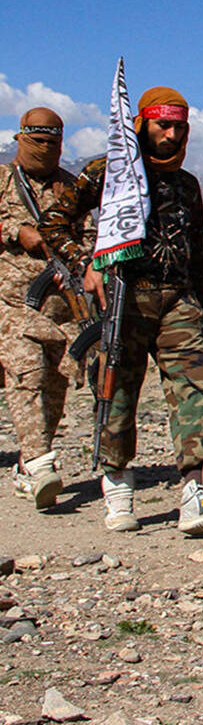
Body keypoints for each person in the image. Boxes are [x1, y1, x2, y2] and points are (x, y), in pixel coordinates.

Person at [39, 88, 203, 536]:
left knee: (196, 388)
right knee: (116, 392)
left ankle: (201, 488)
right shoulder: (107, 173)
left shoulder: (187, 185)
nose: (171, 135)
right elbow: (53, 222)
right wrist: (85, 263)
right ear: (142, 125)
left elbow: (198, 251)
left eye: (180, 127)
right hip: (123, 300)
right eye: (162, 125)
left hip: (178, 302)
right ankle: (116, 486)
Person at [0, 108, 91, 509]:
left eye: (53, 142)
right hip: (9, 301)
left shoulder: (72, 188)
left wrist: (75, 258)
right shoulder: (4, 181)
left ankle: (28, 464)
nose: (45, 149)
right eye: (37, 141)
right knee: (28, 370)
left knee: (55, 384)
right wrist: (15, 232)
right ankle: (40, 463)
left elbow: (90, 235)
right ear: (21, 138)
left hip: (60, 308)